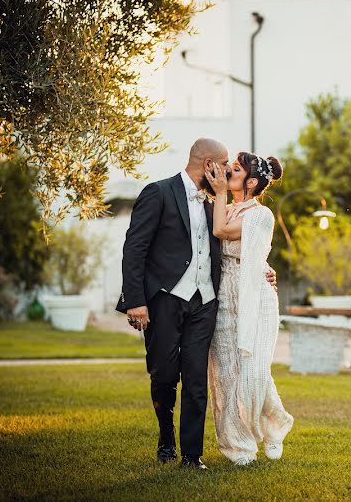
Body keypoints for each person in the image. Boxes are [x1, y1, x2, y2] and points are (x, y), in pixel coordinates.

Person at [116, 138, 276, 471]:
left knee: (197, 380)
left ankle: (192, 455)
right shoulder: (158, 192)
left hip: (206, 302)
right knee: (163, 374)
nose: (228, 168)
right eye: (225, 162)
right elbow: (135, 249)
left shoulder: (217, 203)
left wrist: (264, 270)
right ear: (209, 165)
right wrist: (136, 301)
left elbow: (239, 244)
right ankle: (165, 437)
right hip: (165, 300)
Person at [204, 151, 294, 466]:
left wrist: (218, 192)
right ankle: (239, 448)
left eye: (236, 169)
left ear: (252, 181)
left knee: (254, 373)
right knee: (227, 373)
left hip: (256, 296)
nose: (228, 170)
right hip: (224, 298)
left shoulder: (261, 214)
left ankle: (275, 426)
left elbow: (221, 232)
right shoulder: (223, 206)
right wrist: (219, 195)